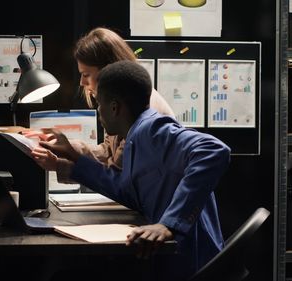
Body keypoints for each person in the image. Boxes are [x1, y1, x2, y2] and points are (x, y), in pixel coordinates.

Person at [33, 61, 231, 281]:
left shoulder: (152, 129)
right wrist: (65, 163)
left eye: (99, 104)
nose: (98, 111)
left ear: (115, 107)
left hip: (189, 264)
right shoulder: (135, 135)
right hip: (170, 261)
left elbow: (214, 150)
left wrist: (169, 225)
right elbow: (124, 190)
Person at [30, 27, 174, 172]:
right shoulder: (120, 100)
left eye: (86, 74)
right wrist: (64, 146)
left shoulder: (136, 107)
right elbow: (107, 151)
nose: (81, 83)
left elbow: (116, 177)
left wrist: (60, 164)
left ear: (108, 70)